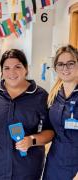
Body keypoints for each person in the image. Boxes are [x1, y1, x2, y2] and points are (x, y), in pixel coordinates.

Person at [0, 49, 54, 180]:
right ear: (2, 71)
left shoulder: (40, 96)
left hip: (26, 169)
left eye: (17, 67)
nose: (12, 72)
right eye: (7, 68)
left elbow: (50, 131)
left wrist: (31, 140)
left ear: (26, 69)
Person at [43, 45, 78, 180]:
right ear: (55, 68)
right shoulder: (54, 95)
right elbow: (50, 129)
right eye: (60, 64)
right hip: (54, 162)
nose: (65, 68)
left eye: (70, 63)